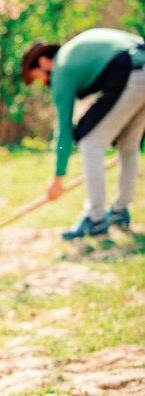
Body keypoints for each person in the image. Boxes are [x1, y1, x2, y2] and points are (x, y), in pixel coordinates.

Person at [21, 28, 145, 240]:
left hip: (128, 71)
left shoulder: (61, 70)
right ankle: (119, 212)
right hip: (139, 67)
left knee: (90, 143)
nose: (43, 84)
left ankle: (95, 218)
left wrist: (58, 178)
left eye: (39, 78)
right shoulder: (74, 54)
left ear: (43, 63)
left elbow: (64, 131)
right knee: (128, 146)